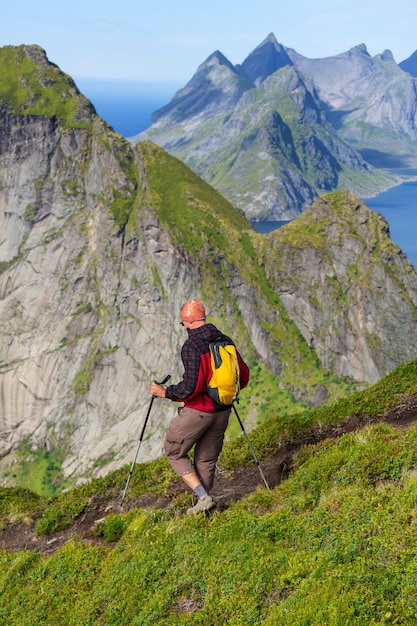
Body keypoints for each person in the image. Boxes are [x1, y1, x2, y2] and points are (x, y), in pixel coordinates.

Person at [150, 299, 250, 515]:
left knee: (173, 450)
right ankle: (204, 506)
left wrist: (165, 392)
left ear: (186, 322)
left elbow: (190, 388)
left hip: (199, 412)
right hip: (223, 410)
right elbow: (244, 375)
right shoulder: (225, 340)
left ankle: (203, 498)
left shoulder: (192, 346)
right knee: (206, 458)